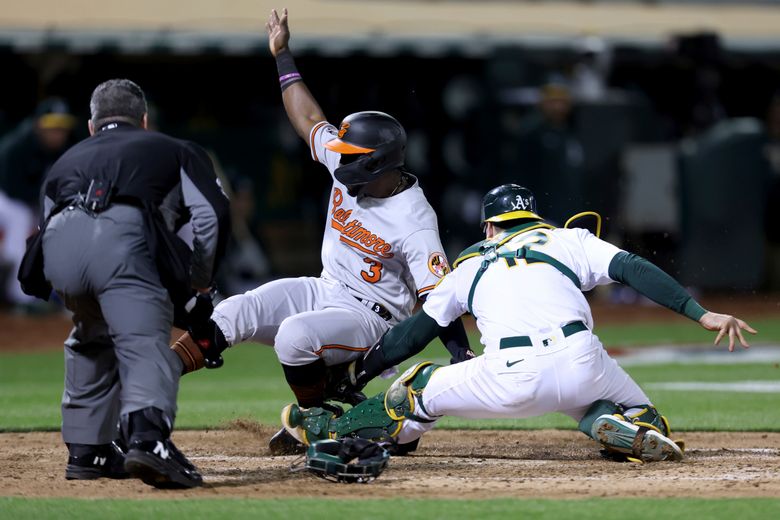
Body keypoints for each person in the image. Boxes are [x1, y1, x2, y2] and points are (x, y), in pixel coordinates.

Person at [172, 8, 473, 455]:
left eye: (351, 155)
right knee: (234, 311)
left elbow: (438, 300)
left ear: (378, 162)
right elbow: (307, 117)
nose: (340, 158)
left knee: (296, 335)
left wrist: (462, 356)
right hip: (325, 289)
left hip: (373, 320)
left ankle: (321, 419)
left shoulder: (415, 220)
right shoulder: (347, 163)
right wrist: (282, 55)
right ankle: (151, 375)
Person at [280, 183, 756, 463]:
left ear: (489, 227)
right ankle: (608, 421)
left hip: (508, 374)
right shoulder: (569, 239)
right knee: (650, 421)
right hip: (584, 361)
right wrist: (702, 313)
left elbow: (412, 334)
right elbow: (634, 268)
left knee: (417, 387)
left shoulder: (468, 265)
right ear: (530, 216)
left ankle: (334, 434)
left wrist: (359, 372)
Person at [35, 79, 230, 488]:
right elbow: (212, 215)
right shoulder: (175, 148)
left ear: (91, 125)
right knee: (142, 340)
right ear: (143, 120)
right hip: (121, 238)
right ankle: (148, 438)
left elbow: (47, 222)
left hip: (60, 250)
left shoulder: (65, 160)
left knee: (91, 337)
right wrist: (199, 285)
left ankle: (89, 450)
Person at [0, 98, 76, 308]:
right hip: (6, 199)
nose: (57, 133)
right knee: (21, 220)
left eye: (61, 128)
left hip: (33, 202)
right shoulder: (17, 146)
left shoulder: (66, 149)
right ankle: (21, 299)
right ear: (38, 125)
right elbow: (12, 188)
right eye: (52, 127)